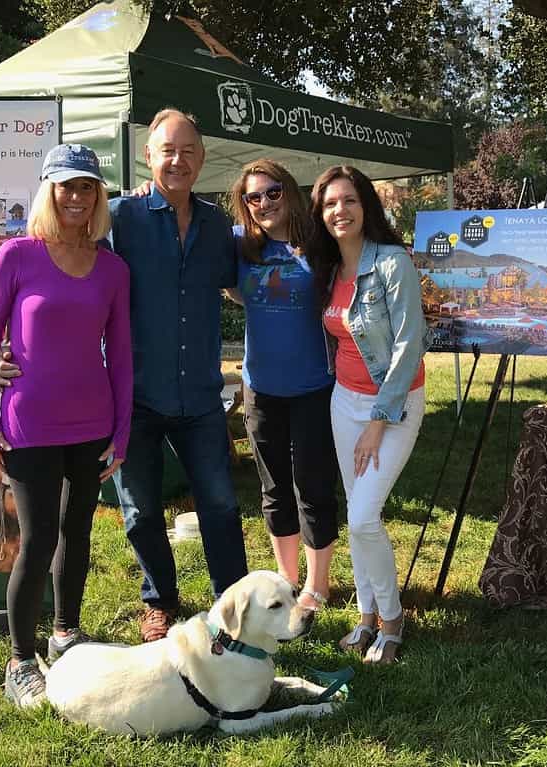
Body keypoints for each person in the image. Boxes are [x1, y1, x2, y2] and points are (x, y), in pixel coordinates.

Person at [0, 109, 248, 643]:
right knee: (140, 512)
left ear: (202, 160)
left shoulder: (217, 230)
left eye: (188, 151)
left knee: (221, 505)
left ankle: (234, 607)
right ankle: (161, 603)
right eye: (166, 151)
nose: (177, 161)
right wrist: (4, 348)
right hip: (135, 396)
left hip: (202, 394)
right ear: (149, 158)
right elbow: (56, 275)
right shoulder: (122, 220)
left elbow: (245, 283)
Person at [0, 144, 132, 708]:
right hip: (28, 425)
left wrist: (121, 431)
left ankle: (66, 633)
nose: (76, 196)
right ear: (49, 191)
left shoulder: (112, 268)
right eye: (66, 186)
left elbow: (121, 353)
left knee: (79, 533)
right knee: (38, 539)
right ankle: (21, 660)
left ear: (97, 197)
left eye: (87, 187)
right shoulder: (17, 255)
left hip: (90, 424)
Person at [308, 166, 429, 664]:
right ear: (321, 212)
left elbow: (409, 344)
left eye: (350, 201)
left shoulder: (391, 263)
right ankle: (365, 617)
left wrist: (379, 421)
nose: (340, 210)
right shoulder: (326, 267)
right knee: (359, 514)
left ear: (366, 207)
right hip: (344, 400)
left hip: (394, 404)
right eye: (331, 203)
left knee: (361, 517)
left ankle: (393, 621)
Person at [229, 159, 339, 611]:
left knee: (312, 485)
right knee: (273, 488)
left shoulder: (319, 243)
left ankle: (317, 585)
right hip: (261, 388)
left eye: (272, 192)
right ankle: (286, 581)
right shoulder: (239, 245)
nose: (263, 203)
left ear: (290, 191)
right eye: (252, 197)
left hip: (314, 384)